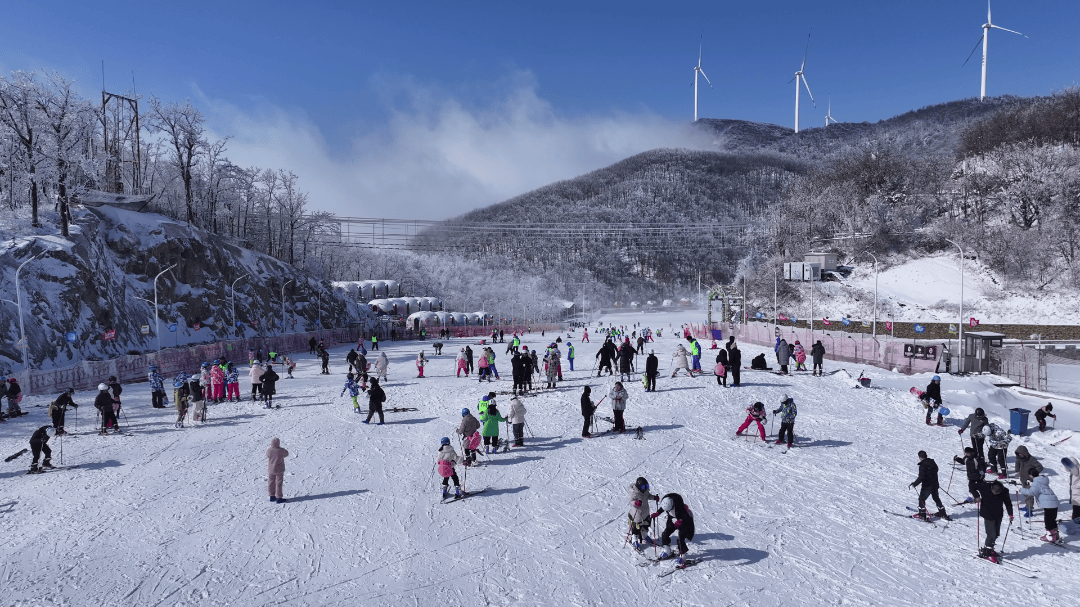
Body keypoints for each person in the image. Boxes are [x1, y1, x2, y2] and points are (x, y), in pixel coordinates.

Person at [973, 479, 1013, 562]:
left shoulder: (1005, 491)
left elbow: (1008, 503)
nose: (995, 494)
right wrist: (976, 496)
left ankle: (990, 548)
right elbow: (972, 486)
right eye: (993, 492)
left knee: (996, 534)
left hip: (998, 514)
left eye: (997, 493)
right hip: (987, 513)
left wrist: (1010, 514)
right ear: (991, 488)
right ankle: (986, 552)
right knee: (991, 534)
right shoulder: (984, 486)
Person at [650, 493, 695, 565]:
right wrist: (657, 513)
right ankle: (667, 550)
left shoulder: (680, 507)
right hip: (672, 519)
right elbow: (663, 508)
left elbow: (686, 516)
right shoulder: (667, 503)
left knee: (680, 539)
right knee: (665, 534)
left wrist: (680, 521)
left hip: (684, 522)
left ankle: (683, 556)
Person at [1019, 469, 1061, 543]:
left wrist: (1021, 490)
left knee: (1048, 521)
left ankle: (1050, 537)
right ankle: (1055, 535)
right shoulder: (1042, 480)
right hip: (1053, 502)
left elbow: (1031, 492)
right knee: (1052, 520)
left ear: (1031, 475)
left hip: (1049, 503)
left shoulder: (1037, 482)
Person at [910, 450, 949, 521]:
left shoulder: (922, 465)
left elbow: (921, 477)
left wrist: (914, 484)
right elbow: (936, 470)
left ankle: (922, 515)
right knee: (936, 499)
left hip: (927, 486)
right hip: (935, 484)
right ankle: (943, 513)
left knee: (921, 499)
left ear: (919, 457)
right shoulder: (932, 462)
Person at [628, 477, 659, 550]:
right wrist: (635, 502)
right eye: (643, 487)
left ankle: (644, 535)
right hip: (637, 513)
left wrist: (654, 497)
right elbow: (631, 501)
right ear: (639, 487)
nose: (645, 488)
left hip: (646, 512)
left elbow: (648, 496)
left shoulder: (645, 491)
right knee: (637, 527)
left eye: (646, 486)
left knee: (646, 524)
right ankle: (634, 539)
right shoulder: (634, 492)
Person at [1014, 445, 1044, 517]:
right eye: (1019, 454)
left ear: (1025, 453)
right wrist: (1017, 470)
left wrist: (1033, 474)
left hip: (1029, 480)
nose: (1020, 455)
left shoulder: (1032, 459)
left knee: (1030, 495)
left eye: (1021, 454)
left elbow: (1040, 467)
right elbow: (1017, 462)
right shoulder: (1020, 458)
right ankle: (1027, 506)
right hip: (1023, 479)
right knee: (1026, 494)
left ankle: (1030, 509)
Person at [267, 437, 289, 503]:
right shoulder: (281, 450)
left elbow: (267, 455)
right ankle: (279, 497)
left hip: (271, 469)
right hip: (279, 469)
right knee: (278, 483)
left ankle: (272, 496)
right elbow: (286, 454)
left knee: (271, 482)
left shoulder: (269, 450)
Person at [1062, 457, 1080, 523]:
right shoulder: (1072, 473)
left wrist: (1077, 486)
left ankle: (1076, 519)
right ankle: (1075, 517)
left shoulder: (1078, 471)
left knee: (1077, 507)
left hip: (1078, 493)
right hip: (1075, 494)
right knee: (1076, 507)